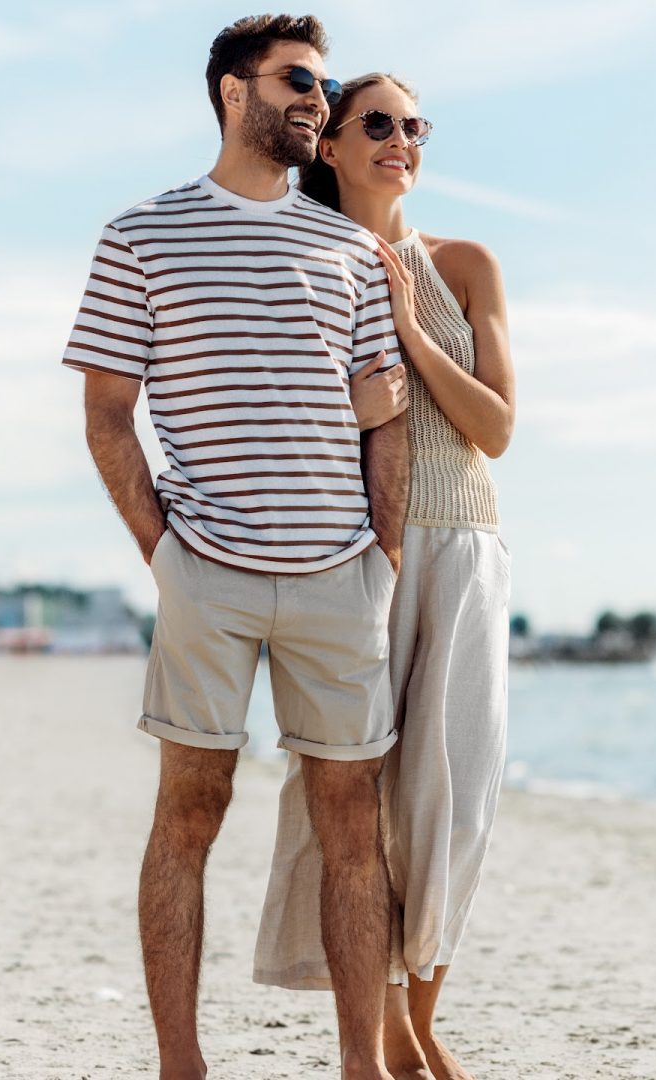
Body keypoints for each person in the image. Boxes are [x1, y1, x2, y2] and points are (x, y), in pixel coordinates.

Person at [60, 16, 409, 1080]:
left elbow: (381, 419)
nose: (317, 100)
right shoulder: (141, 235)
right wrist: (163, 553)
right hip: (204, 573)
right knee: (189, 816)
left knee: (353, 830)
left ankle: (360, 1065)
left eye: (324, 83)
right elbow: (108, 413)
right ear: (231, 92)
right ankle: (182, 1065)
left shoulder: (351, 248)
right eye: (297, 81)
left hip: (338, 578)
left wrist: (382, 560)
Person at [253, 72, 516, 1080]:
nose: (401, 138)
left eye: (414, 124)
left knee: (455, 793)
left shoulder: (464, 262)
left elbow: (493, 427)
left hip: (463, 547)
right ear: (328, 145)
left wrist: (410, 331)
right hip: (352, 552)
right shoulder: (300, 267)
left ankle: (419, 1013)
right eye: (379, 123)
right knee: (348, 798)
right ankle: (372, 1038)